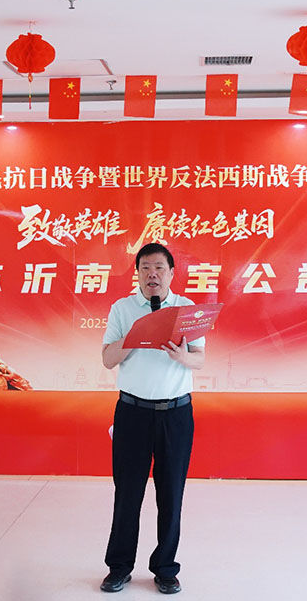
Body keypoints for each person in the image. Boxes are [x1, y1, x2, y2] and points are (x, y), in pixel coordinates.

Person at [100, 243, 205, 595]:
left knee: (171, 494)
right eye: (145, 268)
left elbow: (200, 359)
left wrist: (182, 356)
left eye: (159, 267)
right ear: (138, 274)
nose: (152, 274)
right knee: (127, 493)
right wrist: (135, 337)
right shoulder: (122, 309)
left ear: (171, 273)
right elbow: (107, 359)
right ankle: (119, 567)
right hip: (132, 413)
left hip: (176, 414)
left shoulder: (187, 309)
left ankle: (165, 568)